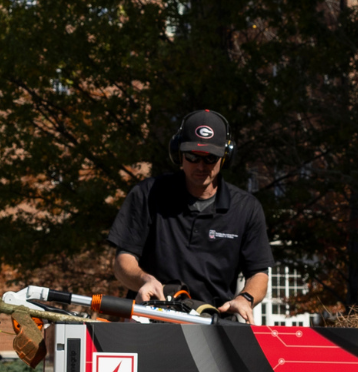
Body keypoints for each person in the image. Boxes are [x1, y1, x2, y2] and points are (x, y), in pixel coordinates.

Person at [108, 109, 273, 321]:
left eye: (211, 158)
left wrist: (245, 298)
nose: (201, 166)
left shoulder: (247, 208)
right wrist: (144, 280)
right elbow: (123, 261)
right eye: (193, 156)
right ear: (178, 153)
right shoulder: (147, 194)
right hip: (150, 319)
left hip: (214, 324)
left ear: (225, 157)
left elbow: (259, 272)